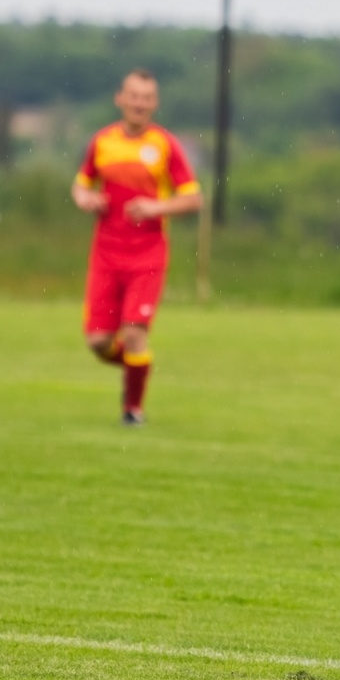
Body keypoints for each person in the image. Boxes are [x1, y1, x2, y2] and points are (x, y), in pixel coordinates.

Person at [70, 69, 202, 424]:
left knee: (133, 332)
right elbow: (81, 184)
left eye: (147, 98)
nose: (139, 103)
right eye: (134, 96)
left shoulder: (164, 145)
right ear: (121, 99)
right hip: (105, 253)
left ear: (154, 104)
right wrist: (85, 199)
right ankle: (136, 366)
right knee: (98, 341)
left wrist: (157, 207)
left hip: (147, 253)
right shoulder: (102, 142)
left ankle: (133, 409)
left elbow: (193, 198)